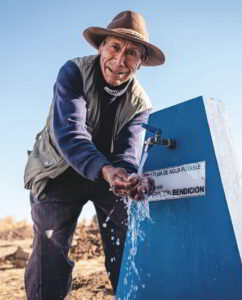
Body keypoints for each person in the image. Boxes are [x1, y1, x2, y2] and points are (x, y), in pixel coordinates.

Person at [23, 10, 165, 300]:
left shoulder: (141, 104)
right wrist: (106, 169)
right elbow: (70, 133)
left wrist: (124, 175)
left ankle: (130, 294)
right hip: (58, 171)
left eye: (132, 53)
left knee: (127, 243)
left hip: (108, 177)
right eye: (114, 47)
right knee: (49, 245)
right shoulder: (73, 72)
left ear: (142, 62)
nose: (120, 59)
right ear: (102, 47)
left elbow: (129, 152)